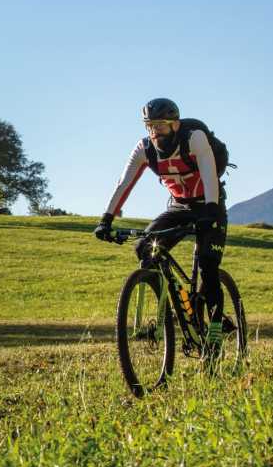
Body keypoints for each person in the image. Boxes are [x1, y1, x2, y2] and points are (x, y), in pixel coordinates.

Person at [93, 98, 228, 354]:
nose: (155, 132)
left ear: (175, 125)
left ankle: (216, 328)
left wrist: (210, 212)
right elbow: (124, 183)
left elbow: (210, 175)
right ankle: (165, 314)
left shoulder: (195, 138)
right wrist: (106, 219)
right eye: (149, 126)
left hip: (210, 203)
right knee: (145, 247)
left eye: (160, 126)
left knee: (209, 263)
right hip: (179, 206)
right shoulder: (144, 150)